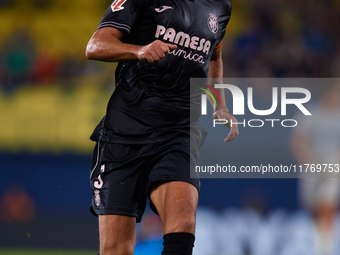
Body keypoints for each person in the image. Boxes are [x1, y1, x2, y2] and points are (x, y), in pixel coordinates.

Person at [85, 0, 239, 254]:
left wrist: (219, 104)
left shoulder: (221, 7)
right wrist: (139, 51)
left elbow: (214, 57)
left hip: (179, 132)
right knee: (117, 249)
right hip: (125, 133)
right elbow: (95, 45)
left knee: (183, 222)